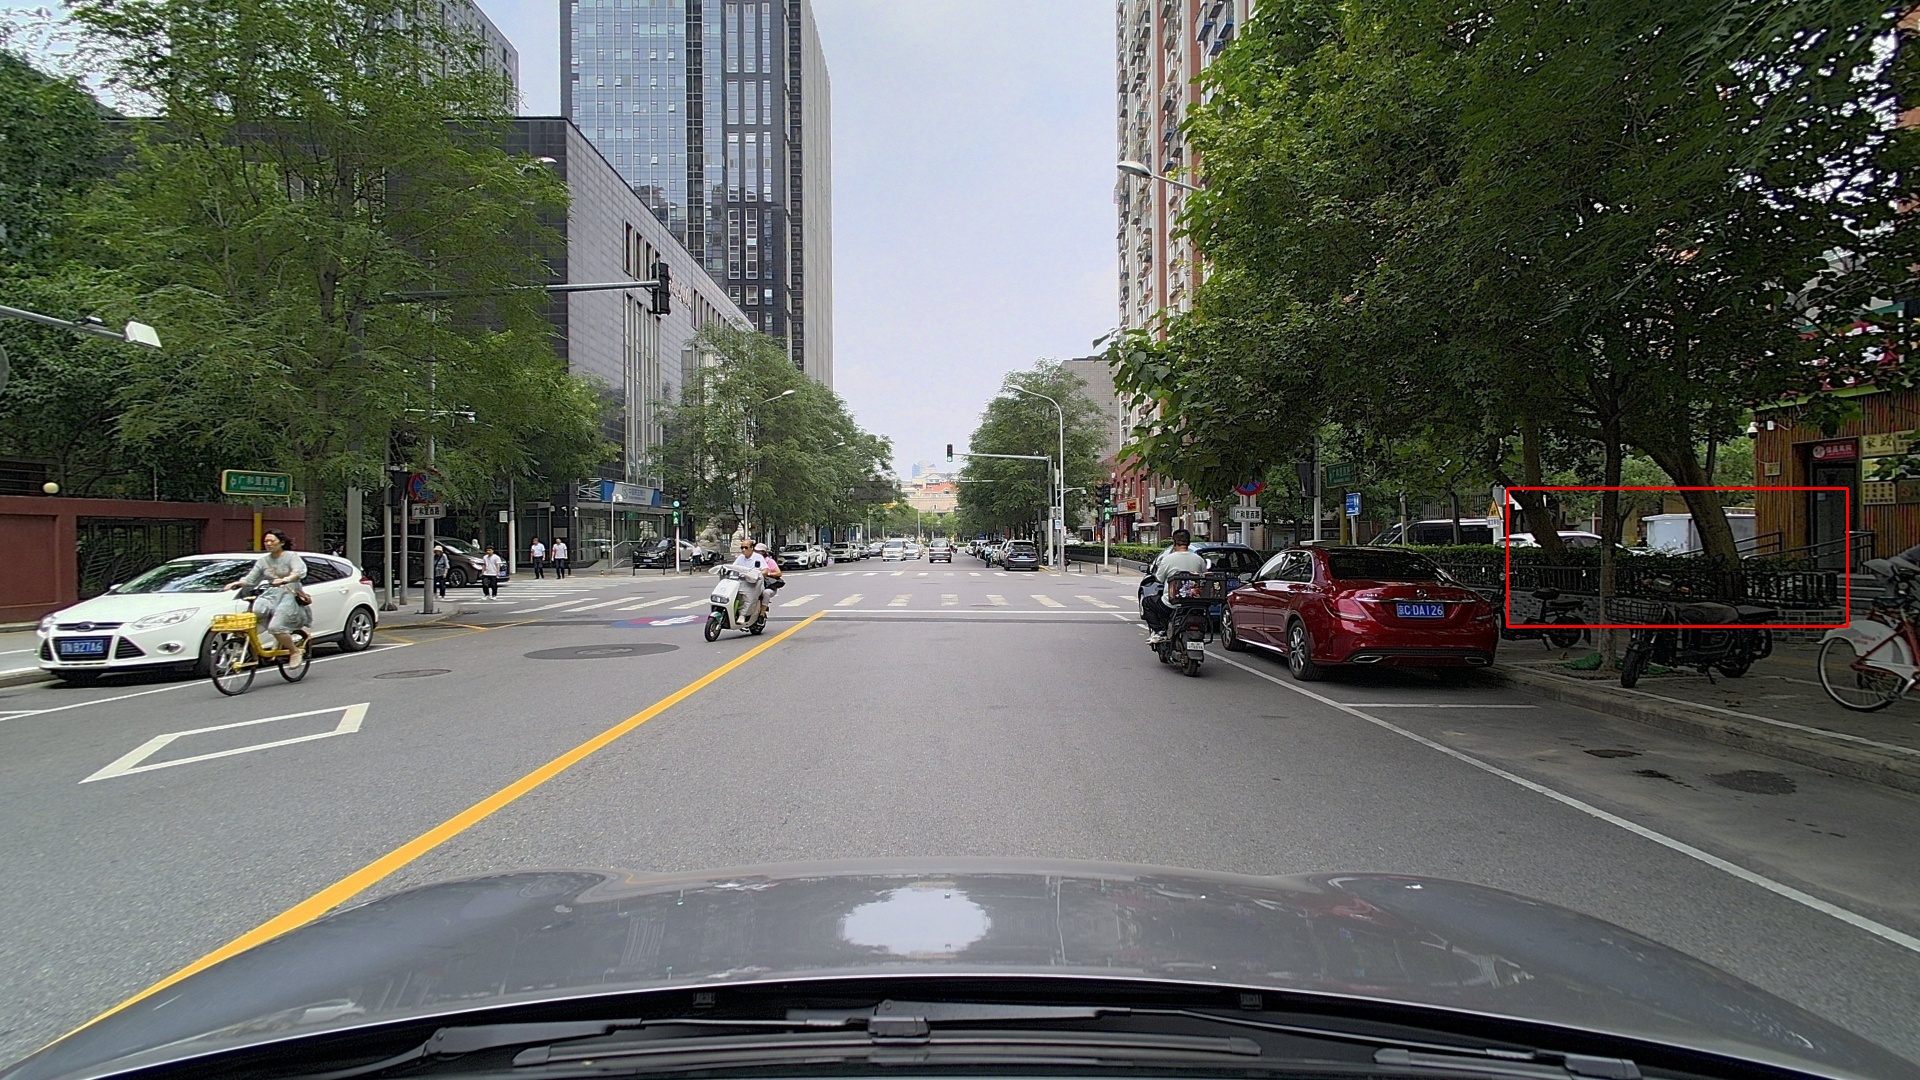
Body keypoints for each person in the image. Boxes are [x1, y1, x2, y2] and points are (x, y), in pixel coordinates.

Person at [225, 528, 312, 662]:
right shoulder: (263, 561)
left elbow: (298, 571)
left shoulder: (291, 556)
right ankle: (245, 649)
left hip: (289, 593)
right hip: (271, 594)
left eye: (272, 541)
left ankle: (294, 651)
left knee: (276, 627)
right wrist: (238, 583)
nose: (268, 544)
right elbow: (251, 579)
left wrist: (286, 579)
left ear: (281, 542)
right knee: (255, 614)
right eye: (266, 541)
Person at [1143, 529, 1207, 644]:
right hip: (1194, 603)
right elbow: (1204, 575)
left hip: (1171, 604)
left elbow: (1159, 579)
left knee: (1147, 602)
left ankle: (1159, 631)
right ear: (1189, 542)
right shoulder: (1199, 560)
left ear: (1174, 542)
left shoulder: (1168, 559)